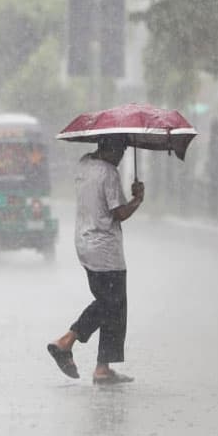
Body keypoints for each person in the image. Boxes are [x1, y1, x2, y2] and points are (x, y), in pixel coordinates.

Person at [47, 135, 144, 384]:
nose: (121, 157)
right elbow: (119, 213)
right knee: (111, 304)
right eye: (120, 151)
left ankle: (103, 368)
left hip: (84, 243)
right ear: (110, 148)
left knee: (111, 305)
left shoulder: (84, 163)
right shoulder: (108, 172)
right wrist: (137, 200)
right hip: (105, 249)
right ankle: (66, 342)